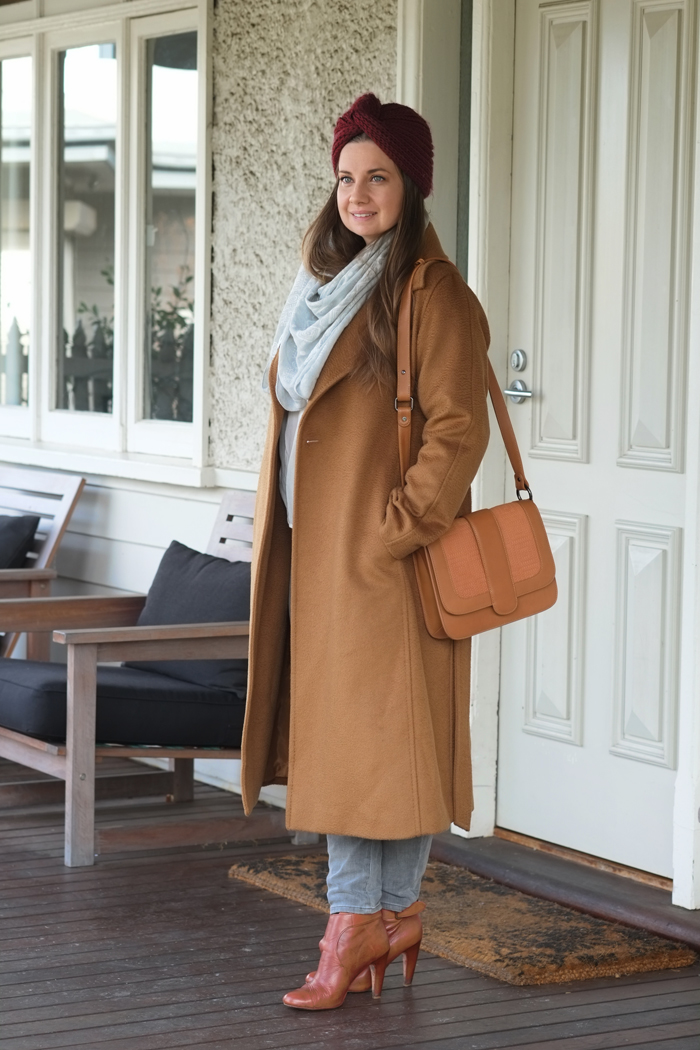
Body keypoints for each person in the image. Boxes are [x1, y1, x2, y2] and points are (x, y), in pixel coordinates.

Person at [240, 93, 491, 1010]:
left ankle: (348, 927)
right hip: (324, 558)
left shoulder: (432, 294)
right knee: (381, 754)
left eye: (376, 177)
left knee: (367, 752)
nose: (356, 194)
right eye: (346, 177)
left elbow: (459, 432)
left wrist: (395, 530)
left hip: (383, 566)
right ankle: (394, 914)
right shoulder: (320, 290)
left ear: (411, 188)